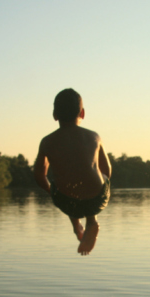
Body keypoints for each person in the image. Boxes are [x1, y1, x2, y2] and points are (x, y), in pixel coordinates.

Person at [34, 89, 112, 256]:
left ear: (55, 115)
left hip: (66, 201)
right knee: (97, 177)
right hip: (97, 198)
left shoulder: (47, 142)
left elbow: (39, 175)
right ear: (82, 113)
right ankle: (92, 221)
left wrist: (52, 191)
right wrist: (103, 179)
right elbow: (108, 170)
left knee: (63, 184)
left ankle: (77, 226)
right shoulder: (94, 137)